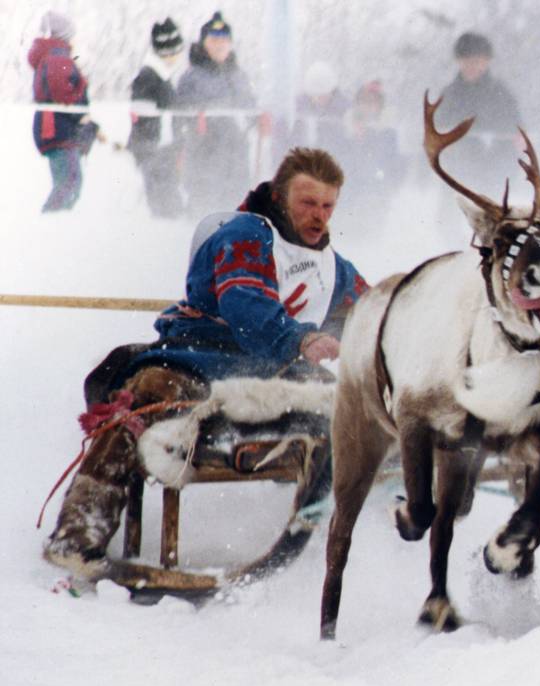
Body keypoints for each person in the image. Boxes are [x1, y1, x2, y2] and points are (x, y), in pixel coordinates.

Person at [44, 148, 369, 578]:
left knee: (358, 412)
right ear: (278, 197)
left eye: (328, 206)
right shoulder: (246, 235)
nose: (319, 216)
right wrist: (302, 338)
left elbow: (370, 310)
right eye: (307, 203)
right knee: (146, 401)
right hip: (201, 355)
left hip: (277, 372)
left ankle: (368, 526)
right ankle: (77, 537)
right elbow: (247, 306)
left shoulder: (334, 267)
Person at [175, 11, 256, 216]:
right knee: (205, 201)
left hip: (234, 148)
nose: (219, 45)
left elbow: (248, 103)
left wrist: (257, 117)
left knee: (236, 198)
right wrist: (196, 116)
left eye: (224, 40)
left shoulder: (237, 74)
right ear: (204, 43)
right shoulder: (192, 76)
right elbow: (180, 109)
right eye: (213, 39)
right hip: (204, 145)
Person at [434, 32, 523, 193]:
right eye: (466, 61)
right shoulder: (449, 94)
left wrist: (504, 173)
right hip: (455, 177)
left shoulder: (502, 95)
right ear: (458, 62)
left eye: (476, 61)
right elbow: (436, 131)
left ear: (487, 62)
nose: (471, 66)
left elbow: (515, 134)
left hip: (493, 177)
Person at [28, 11, 97, 212]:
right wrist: (81, 115)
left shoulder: (54, 57)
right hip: (59, 129)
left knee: (69, 182)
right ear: (65, 35)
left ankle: (58, 221)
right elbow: (63, 95)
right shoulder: (58, 59)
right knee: (70, 182)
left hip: (57, 128)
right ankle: (52, 222)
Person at [128, 18, 186, 217]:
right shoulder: (150, 76)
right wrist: (159, 149)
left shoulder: (161, 75)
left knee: (168, 203)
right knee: (166, 207)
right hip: (155, 151)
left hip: (160, 151)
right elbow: (144, 118)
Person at [335, 80, 407, 232]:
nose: (367, 107)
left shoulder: (387, 133)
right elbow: (338, 159)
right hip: (347, 195)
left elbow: (396, 165)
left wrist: (388, 185)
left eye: (372, 103)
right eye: (364, 102)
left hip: (375, 195)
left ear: (379, 106)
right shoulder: (345, 130)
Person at [280, 61, 349, 154]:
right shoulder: (298, 109)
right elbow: (286, 138)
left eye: (325, 94)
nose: (321, 99)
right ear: (309, 93)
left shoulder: (343, 109)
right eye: (317, 95)